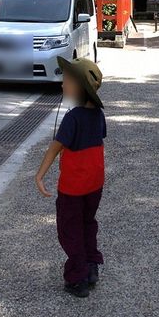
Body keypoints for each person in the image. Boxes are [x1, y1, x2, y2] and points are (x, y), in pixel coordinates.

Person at [35, 56, 106, 298]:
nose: (62, 85)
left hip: (73, 186)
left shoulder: (73, 117)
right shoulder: (98, 115)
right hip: (95, 183)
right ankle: (91, 265)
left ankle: (78, 277)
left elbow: (56, 147)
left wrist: (40, 175)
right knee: (88, 223)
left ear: (78, 88)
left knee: (69, 229)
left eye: (66, 80)